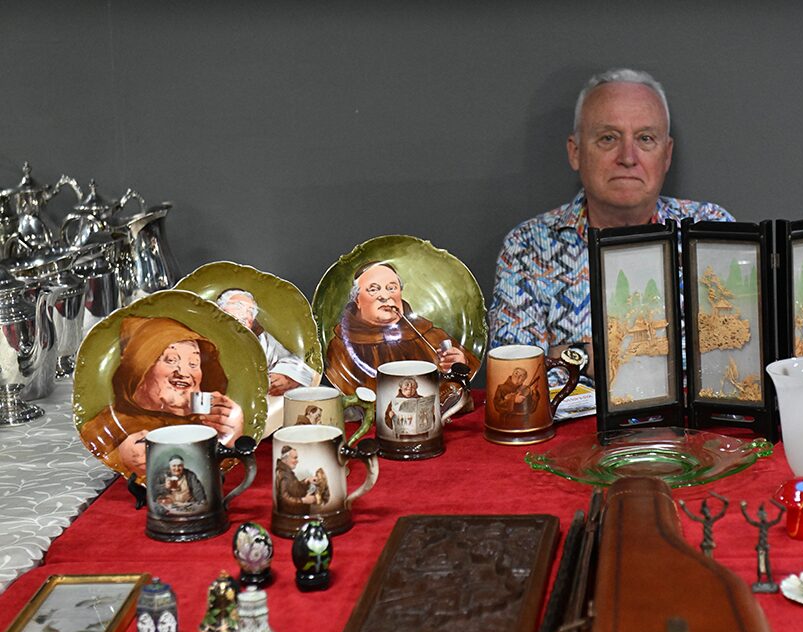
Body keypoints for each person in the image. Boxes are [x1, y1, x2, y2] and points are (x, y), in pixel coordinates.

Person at [488, 68, 734, 381]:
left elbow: (734, 352)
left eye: (645, 139)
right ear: (575, 152)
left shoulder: (708, 229)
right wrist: (669, 355)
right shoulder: (528, 246)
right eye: (608, 138)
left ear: (667, 155)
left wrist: (580, 356)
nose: (628, 157)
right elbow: (517, 377)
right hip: (575, 417)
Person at [80, 316, 245, 478]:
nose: (183, 372)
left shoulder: (208, 423)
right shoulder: (108, 425)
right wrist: (122, 457)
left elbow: (218, 471)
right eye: (171, 360)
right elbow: (94, 468)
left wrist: (231, 440)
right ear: (139, 368)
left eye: (194, 363)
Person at [325, 262, 480, 394]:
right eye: (373, 289)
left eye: (391, 288)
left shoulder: (428, 333)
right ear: (357, 300)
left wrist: (460, 364)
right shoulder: (343, 346)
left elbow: (463, 375)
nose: (385, 296)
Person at [216, 289, 318, 396]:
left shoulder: (263, 339)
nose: (246, 315)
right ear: (220, 309)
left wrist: (287, 376)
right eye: (239, 306)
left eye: (250, 311)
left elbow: (299, 362)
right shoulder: (207, 336)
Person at [274, 445, 318, 514]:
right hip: (290, 517)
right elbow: (284, 499)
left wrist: (307, 481)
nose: (297, 461)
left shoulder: (287, 472)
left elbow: (294, 488)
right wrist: (304, 500)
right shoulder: (284, 475)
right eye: (295, 458)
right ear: (285, 459)